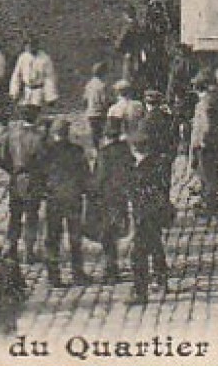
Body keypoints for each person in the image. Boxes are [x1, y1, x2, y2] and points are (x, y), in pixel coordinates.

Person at [42, 119, 92, 286]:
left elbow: (39, 174)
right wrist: (85, 191)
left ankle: (53, 275)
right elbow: (85, 173)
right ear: (67, 132)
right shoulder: (76, 150)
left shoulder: (47, 151)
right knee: (75, 237)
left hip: (53, 199)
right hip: (73, 198)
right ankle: (77, 273)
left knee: (52, 237)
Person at [0, 104, 48, 264]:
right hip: (32, 180)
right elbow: (43, 162)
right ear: (35, 117)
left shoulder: (11, 135)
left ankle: (11, 248)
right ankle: (28, 251)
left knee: (14, 216)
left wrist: (12, 171)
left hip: (15, 178)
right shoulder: (39, 137)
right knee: (31, 216)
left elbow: (2, 159)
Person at [89, 117, 135, 284]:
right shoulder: (126, 151)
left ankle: (111, 268)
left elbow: (99, 177)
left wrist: (92, 190)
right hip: (121, 196)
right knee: (115, 231)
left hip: (106, 197)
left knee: (107, 233)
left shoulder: (105, 154)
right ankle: (113, 265)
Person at [127, 146, 172, 305]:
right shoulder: (159, 163)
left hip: (144, 216)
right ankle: (161, 279)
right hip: (155, 213)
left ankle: (140, 291)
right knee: (156, 245)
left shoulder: (140, 169)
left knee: (138, 252)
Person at [189, 75, 218, 220]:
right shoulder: (213, 99)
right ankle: (211, 204)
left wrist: (202, 141)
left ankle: (209, 207)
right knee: (211, 175)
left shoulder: (204, 104)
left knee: (207, 175)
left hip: (206, 145)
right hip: (215, 142)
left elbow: (206, 125)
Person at [9, 35, 58, 113]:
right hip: (26, 90)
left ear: (37, 45)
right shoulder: (23, 58)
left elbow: (49, 78)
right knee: (25, 112)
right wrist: (14, 92)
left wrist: (50, 96)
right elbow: (16, 75)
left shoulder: (45, 59)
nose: (31, 48)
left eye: (33, 45)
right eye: (28, 46)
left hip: (38, 91)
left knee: (35, 112)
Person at [82, 62, 111, 150]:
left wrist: (87, 109)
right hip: (100, 113)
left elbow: (84, 99)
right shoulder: (102, 86)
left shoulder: (88, 84)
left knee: (94, 134)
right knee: (102, 133)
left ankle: (96, 150)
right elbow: (104, 101)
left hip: (91, 113)